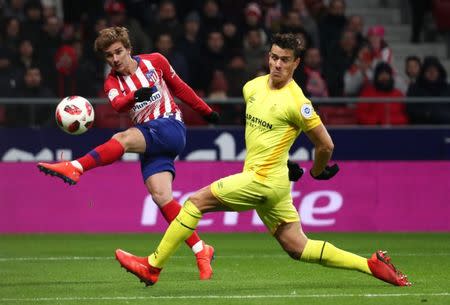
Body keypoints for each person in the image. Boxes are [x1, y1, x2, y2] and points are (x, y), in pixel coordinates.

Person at [114, 33, 411, 287]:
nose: (277, 64)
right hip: (274, 182)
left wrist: (317, 171)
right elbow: (267, 135)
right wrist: (284, 160)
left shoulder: (298, 102)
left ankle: (152, 267)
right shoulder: (252, 88)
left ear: (296, 63)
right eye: (273, 57)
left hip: (262, 180)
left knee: (195, 202)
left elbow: (325, 144)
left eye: (285, 60)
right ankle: (370, 265)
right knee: (297, 247)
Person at [37, 26, 218, 280]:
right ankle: (201, 249)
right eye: (109, 56)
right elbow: (118, 104)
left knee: (121, 138)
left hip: (170, 127)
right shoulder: (112, 81)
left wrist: (206, 111)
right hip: (151, 140)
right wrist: (135, 96)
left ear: (129, 49)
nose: (115, 59)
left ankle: (76, 167)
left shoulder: (155, 61)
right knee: (162, 197)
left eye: (119, 52)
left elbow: (180, 88)